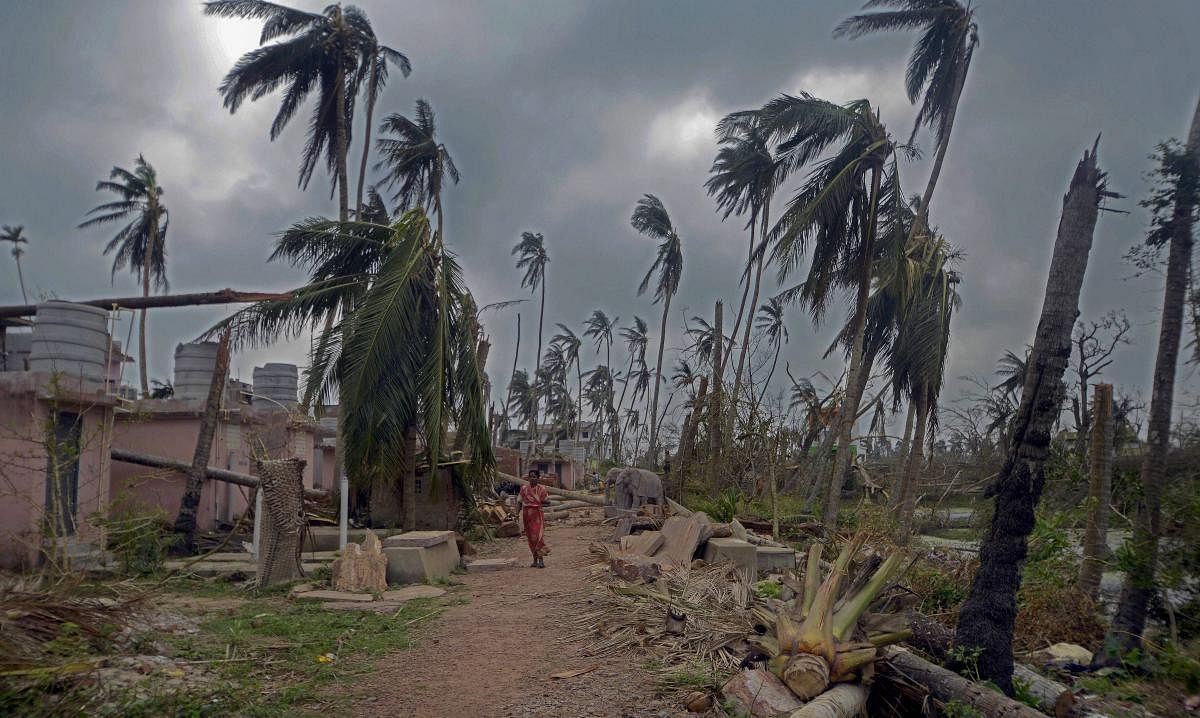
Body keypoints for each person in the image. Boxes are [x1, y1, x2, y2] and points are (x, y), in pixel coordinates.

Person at [517, 468, 549, 568]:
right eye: (530, 477)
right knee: (531, 538)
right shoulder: (524, 489)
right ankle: (534, 560)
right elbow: (519, 501)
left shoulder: (541, 489)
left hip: (537, 515)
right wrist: (516, 513)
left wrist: (538, 501)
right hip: (527, 515)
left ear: (538, 478)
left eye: (534, 477)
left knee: (538, 537)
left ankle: (541, 560)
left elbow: (548, 502)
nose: (532, 479)